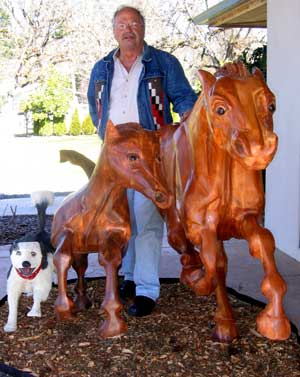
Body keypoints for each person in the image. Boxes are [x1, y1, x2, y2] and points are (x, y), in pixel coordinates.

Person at [87, 5, 197, 317]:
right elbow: (96, 106)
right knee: (124, 219)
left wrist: (185, 123)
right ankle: (131, 276)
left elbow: (185, 99)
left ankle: (146, 289)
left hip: (150, 153)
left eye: (134, 23)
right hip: (115, 157)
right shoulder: (102, 68)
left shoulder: (163, 63)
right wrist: (104, 136)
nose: (128, 29)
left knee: (146, 218)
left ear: (143, 29)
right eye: (122, 24)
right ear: (114, 30)